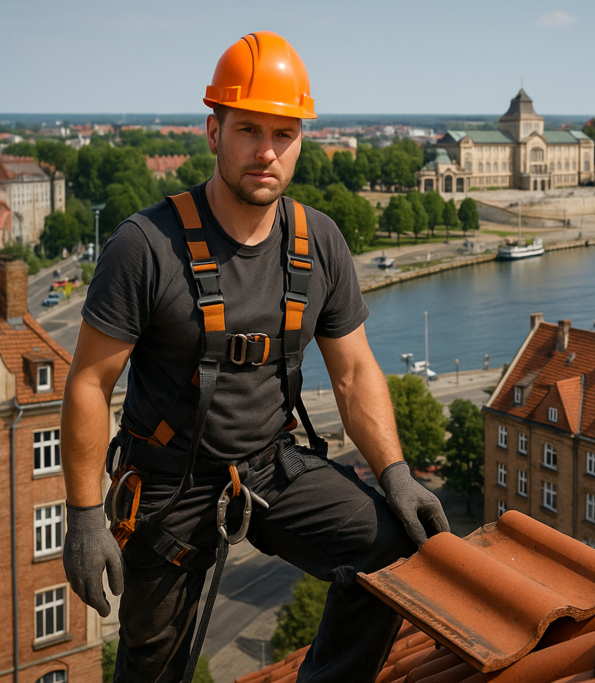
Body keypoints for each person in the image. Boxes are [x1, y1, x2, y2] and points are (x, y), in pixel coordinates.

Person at [60, 31, 449, 683]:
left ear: (300, 140)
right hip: (168, 481)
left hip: (270, 467)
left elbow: (353, 372)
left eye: (283, 134)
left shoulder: (318, 241)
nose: (265, 151)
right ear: (213, 132)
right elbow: (91, 383)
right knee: (153, 668)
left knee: (390, 548)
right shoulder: (145, 246)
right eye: (247, 130)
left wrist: (396, 471)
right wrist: (83, 515)